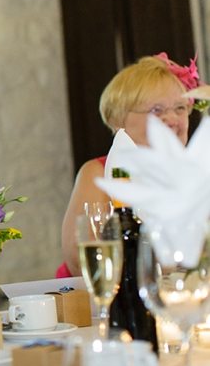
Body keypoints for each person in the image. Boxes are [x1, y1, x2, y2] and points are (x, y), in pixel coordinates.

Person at [58, 54, 197, 277]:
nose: (172, 119)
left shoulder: (198, 176)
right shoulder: (99, 174)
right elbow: (81, 261)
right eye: (156, 110)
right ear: (119, 119)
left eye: (180, 108)